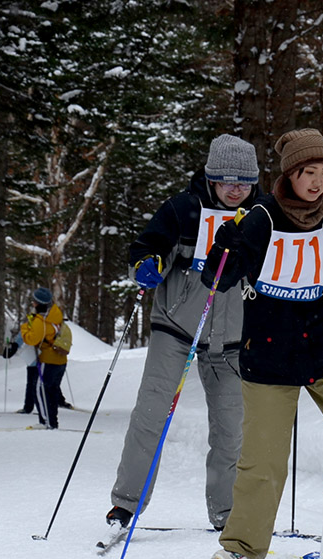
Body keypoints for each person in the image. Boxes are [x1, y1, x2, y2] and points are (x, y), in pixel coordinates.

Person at [200, 128, 323, 559]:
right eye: (308, 172)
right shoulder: (261, 217)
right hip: (268, 353)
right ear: (290, 174)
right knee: (263, 457)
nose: (317, 182)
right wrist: (224, 250)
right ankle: (241, 546)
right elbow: (218, 279)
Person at [106, 134, 261, 532]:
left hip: (230, 343)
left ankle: (227, 514)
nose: (235, 190)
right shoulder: (182, 209)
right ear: (211, 178)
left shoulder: (261, 217)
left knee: (232, 430)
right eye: (226, 181)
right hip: (176, 330)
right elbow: (146, 247)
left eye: (243, 182)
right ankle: (126, 506)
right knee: (151, 417)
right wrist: (146, 264)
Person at [20, 287, 68, 430]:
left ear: (37, 303)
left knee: (40, 390)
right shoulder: (55, 315)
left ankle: (46, 422)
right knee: (52, 391)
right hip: (60, 360)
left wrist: (24, 329)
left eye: (34, 301)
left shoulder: (41, 320)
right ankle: (52, 421)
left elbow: (32, 339)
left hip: (48, 360)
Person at [3, 330, 72, 413]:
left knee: (47, 382)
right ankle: (29, 406)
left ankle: (58, 401)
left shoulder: (43, 324)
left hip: (45, 358)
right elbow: (23, 335)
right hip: (35, 358)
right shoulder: (33, 325)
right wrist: (14, 346)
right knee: (36, 383)